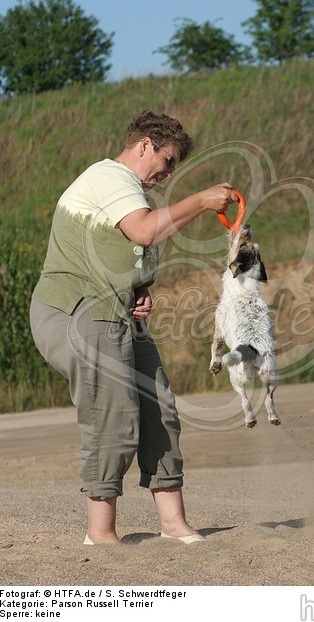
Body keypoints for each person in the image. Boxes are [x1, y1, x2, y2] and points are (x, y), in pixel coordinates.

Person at [29, 109, 236, 545]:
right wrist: (200, 200)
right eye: (169, 160)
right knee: (114, 416)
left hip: (113, 310)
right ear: (145, 145)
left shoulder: (131, 193)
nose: (169, 172)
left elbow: (137, 249)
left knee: (159, 408)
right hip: (74, 310)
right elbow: (143, 233)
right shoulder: (109, 177)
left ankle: (173, 525)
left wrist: (140, 289)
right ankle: (100, 534)